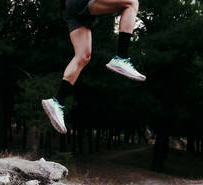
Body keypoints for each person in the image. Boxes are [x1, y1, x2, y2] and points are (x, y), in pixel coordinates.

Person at [42, 0, 146, 134]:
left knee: (83, 56)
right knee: (131, 3)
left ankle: (57, 101)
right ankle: (122, 57)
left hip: (72, 9)